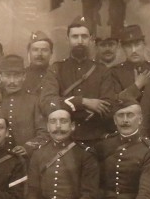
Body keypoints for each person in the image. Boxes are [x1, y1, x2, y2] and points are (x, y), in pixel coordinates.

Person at [39, 16, 116, 145]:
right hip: (63, 139)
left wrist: (67, 107)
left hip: (95, 141)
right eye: (75, 37)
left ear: (91, 39)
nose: (80, 41)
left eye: (84, 36)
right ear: (68, 39)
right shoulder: (56, 69)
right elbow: (47, 103)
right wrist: (83, 102)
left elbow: (107, 108)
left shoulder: (102, 71)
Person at [0, 54, 47, 152]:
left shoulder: (34, 101)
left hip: (25, 160)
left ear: (24, 76)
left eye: (17, 76)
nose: (12, 81)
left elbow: (43, 133)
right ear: (0, 77)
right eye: (7, 76)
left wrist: (27, 147)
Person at [111, 24, 150, 104]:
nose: (133, 50)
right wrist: (137, 85)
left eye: (137, 45)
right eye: (128, 46)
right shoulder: (115, 73)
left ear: (144, 44)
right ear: (123, 48)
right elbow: (114, 102)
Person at [24, 30, 54, 95]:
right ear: (29, 53)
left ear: (51, 53)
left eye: (44, 50)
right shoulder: (21, 76)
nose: (39, 54)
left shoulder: (57, 76)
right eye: (35, 50)